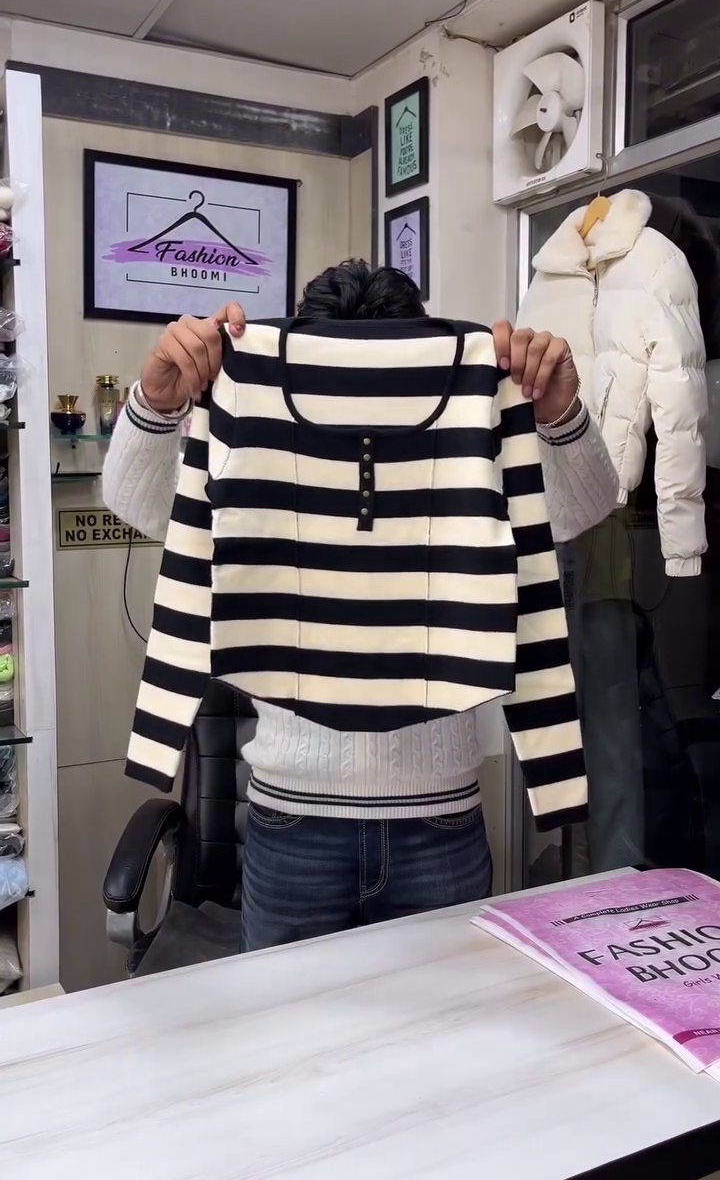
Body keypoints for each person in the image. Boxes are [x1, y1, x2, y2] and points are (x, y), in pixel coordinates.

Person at [104, 260, 618, 952]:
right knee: (297, 1020)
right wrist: (158, 402)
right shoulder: (253, 398)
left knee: (442, 1020)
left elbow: (580, 510)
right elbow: (140, 504)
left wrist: (557, 416)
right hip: (291, 822)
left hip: (441, 821)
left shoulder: (474, 401)